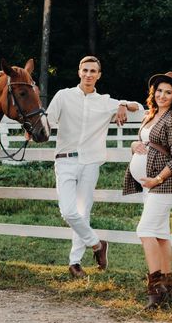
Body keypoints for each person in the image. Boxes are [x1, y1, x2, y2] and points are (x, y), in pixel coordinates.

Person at [46, 55, 142, 278]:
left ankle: (75, 262)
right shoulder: (63, 96)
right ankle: (98, 245)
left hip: (90, 162)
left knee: (83, 211)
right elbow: (47, 121)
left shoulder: (106, 102)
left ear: (99, 75)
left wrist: (121, 104)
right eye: (85, 70)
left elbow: (139, 107)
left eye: (93, 71)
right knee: (68, 211)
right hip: (65, 160)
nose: (88, 74)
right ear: (79, 72)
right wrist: (31, 130)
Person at [123, 71, 172, 309]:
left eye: (168, 92)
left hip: (165, 185)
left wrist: (157, 179)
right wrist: (133, 144)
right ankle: (169, 284)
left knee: (145, 230)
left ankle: (156, 288)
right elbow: (146, 142)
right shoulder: (151, 115)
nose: (162, 95)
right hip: (150, 185)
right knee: (160, 234)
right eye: (159, 90)